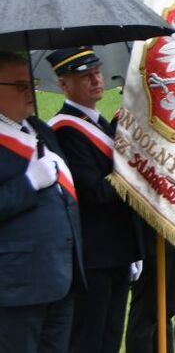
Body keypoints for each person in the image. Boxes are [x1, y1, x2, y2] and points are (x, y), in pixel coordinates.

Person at [45, 48, 140, 353]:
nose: (96, 80)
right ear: (64, 84)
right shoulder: (65, 130)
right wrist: (133, 175)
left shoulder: (100, 123)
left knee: (110, 336)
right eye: (85, 76)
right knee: (89, 339)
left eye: (97, 72)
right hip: (93, 254)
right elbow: (94, 192)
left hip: (117, 249)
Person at [0, 52, 83, 353]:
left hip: (59, 275)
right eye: (19, 85)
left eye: (31, 83)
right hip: (17, 284)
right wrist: (29, 183)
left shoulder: (39, 129)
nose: (30, 92)